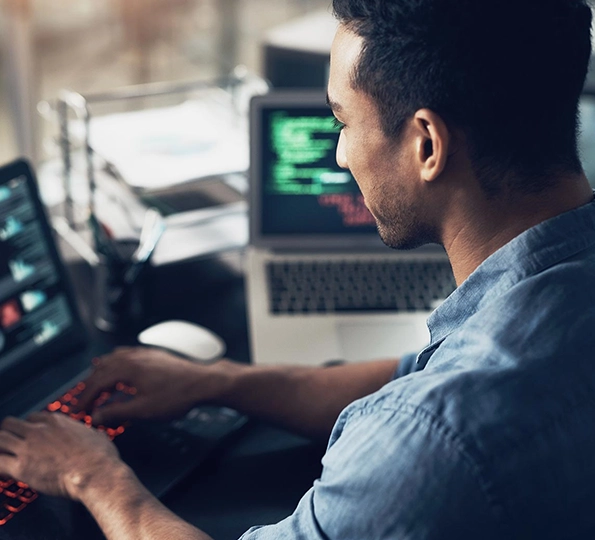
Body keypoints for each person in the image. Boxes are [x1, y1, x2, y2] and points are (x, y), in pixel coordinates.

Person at [1, 0, 595, 537]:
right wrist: (222, 383)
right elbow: (411, 374)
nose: (339, 153)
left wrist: (93, 477)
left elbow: (432, 419)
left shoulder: (424, 443)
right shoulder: (552, 292)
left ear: (427, 146)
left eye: (343, 121)